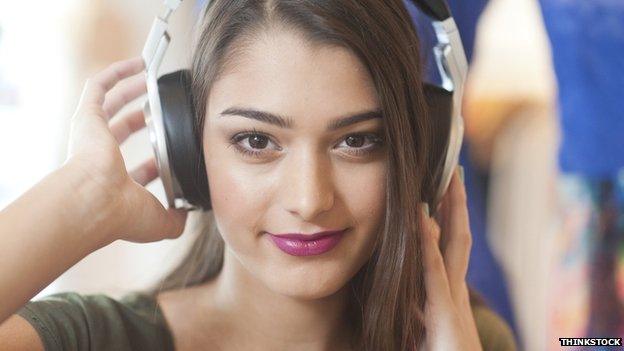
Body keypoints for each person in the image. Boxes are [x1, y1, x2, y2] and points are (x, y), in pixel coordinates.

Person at [0, 1, 516, 350]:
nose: (310, 200)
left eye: (356, 141)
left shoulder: (468, 337)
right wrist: (82, 198)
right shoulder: (94, 339)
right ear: (187, 149)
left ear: (422, 155)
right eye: (257, 141)